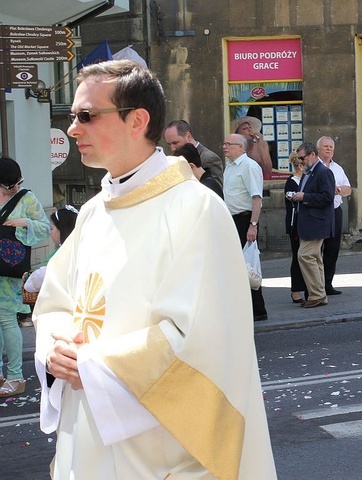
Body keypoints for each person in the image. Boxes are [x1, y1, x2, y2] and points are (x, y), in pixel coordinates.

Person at [34, 60, 276, 479]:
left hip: (161, 458)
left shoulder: (195, 210)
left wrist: (92, 364)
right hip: (86, 440)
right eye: (73, 116)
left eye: (86, 116)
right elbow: (54, 302)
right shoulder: (93, 213)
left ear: (137, 120)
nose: (73, 128)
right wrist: (54, 349)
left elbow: (201, 342)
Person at [0, 158, 49, 397]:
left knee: (8, 320)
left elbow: (45, 227)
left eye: (19, 182)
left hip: (9, 270)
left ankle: (16, 376)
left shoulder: (27, 198)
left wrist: (24, 222)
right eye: (10, 186)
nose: (16, 188)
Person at [223, 133, 268, 321]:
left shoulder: (248, 166)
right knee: (236, 266)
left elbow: (256, 198)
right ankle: (244, 307)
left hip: (245, 219)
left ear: (240, 147)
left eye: (229, 144)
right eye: (224, 143)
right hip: (232, 220)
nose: (224, 146)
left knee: (248, 266)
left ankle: (258, 310)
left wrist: (253, 225)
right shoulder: (229, 167)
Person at [290, 142, 335, 308]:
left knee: (305, 255)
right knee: (315, 258)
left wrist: (304, 197)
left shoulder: (323, 172)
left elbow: (327, 197)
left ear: (313, 155)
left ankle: (316, 294)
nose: (300, 161)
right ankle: (319, 294)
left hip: (318, 223)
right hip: (309, 223)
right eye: (299, 158)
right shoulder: (309, 173)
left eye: (303, 158)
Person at [317, 136, 352, 296]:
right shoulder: (314, 166)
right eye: (325, 146)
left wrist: (339, 190)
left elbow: (348, 189)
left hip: (335, 210)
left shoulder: (338, 168)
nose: (329, 149)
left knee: (333, 248)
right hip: (319, 212)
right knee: (317, 248)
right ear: (318, 149)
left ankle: (327, 284)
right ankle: (315, 285)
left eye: (331, 147)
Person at [23, 206, 79, 294]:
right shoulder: (80, 249)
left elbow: (29, 286)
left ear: (62, 230)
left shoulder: (66, 255)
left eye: (52, 228)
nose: (50, 232)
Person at [163, 119, 224, 187]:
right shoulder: (174, 158)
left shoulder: (209, 158)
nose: (172, 148)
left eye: (175, 143)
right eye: (169, 144)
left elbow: (216, 191)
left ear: (188, 136)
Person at [284, 152, 306, 304]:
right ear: (299, 165)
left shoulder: (308, 179)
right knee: (297, 257)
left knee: (309, 257)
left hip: (308, 223)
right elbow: (293, 198)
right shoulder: (292, 181)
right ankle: (296, 290)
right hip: (296, 224)